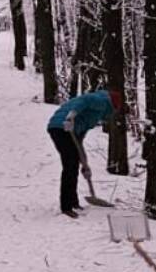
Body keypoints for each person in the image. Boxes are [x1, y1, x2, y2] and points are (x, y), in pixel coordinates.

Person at [46, 89, 122, 218]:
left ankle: (73, 202)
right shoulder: (102, 101)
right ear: (113, 106)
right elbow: (84, 101)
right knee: (70, 166)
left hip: (65, 129)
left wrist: (85, 164)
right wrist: (71, 115)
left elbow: (79, 142)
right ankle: (66, 206)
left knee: (73, 164)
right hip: (61, 126)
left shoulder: (93, 116)